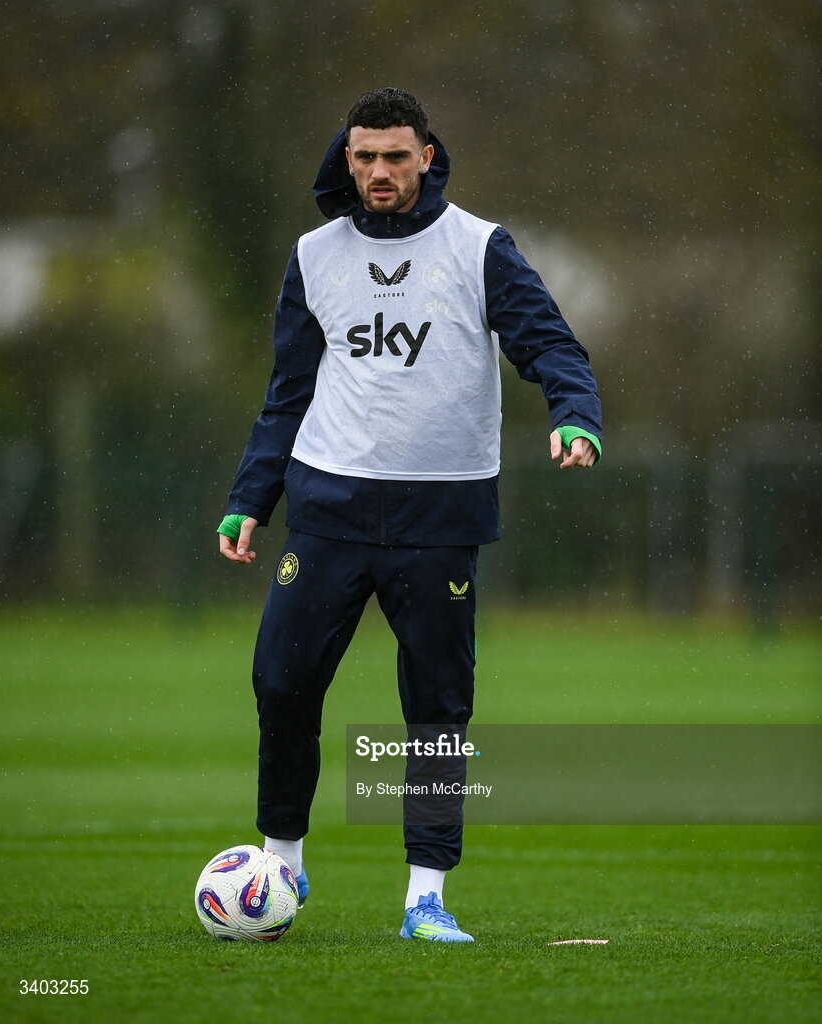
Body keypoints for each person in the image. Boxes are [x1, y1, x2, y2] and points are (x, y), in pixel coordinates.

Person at [217, 87, 602, 943]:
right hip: (327, 508)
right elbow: (287, 394)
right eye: (364, 157)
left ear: (427, 156)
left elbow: (548, 343)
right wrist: (251, 498)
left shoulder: (479, 248)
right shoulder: (314, 255)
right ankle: (280, 860)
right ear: (344, 158)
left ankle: (424, 896)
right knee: (280, 682)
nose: (380, 172)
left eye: (396, 156)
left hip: (440, 518)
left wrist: (574, 412)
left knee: (434, 711)